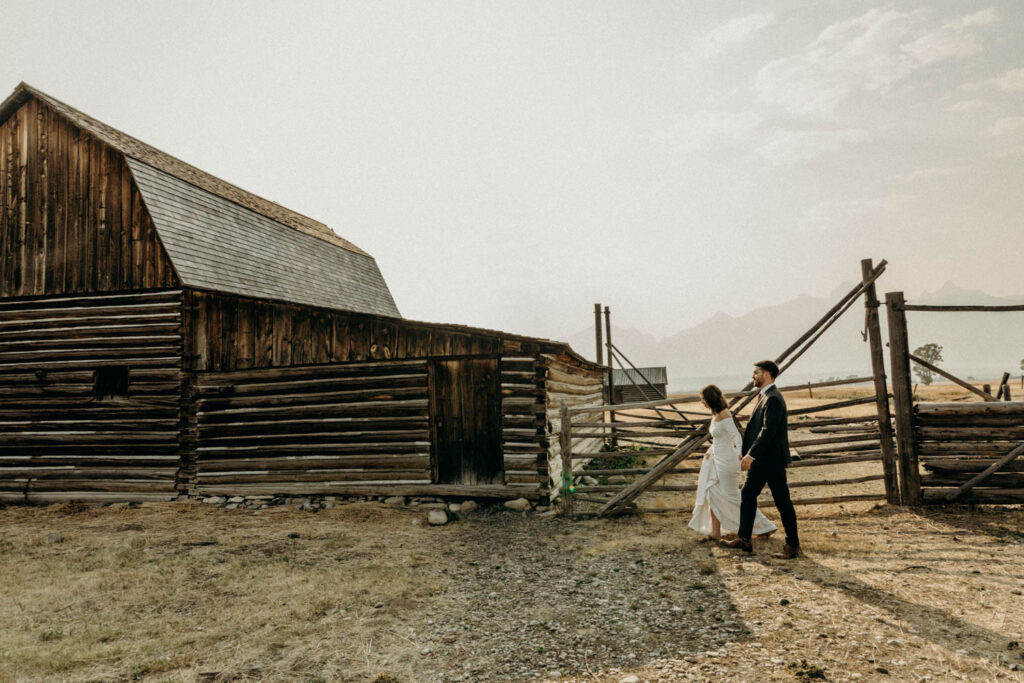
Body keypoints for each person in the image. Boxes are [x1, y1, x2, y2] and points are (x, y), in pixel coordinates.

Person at [720, 360, 801, 559]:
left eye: (755, 372)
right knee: (748, 495)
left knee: (782, 501)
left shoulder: (773, 398)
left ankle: (793, 546)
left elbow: (768, 431)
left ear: (766, 374)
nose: (753, 376)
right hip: (762, 460)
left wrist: (751, 454)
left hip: (771, 461)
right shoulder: (765, 396)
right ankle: (744, 539)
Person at [688, 384, 777, 542]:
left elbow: (736, 437)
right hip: (716, 459)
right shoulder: (715, 415)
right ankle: (715, 532)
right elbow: (718, 439)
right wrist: (711, 451)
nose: (702, 402)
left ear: (710, 398)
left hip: (727, 461)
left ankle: (765, 527)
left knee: (733, 497)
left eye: (703, 399)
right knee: (712, 493)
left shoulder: (725, 415)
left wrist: (738, 454)